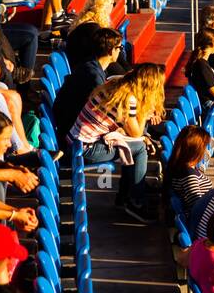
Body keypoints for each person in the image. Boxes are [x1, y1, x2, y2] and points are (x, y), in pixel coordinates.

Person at [68, 63, 164, 224]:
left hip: (77, 140)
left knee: (133, 145)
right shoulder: (129, 99)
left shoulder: (118, 82)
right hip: (85, 149)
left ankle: (127, 194)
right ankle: (136, 201)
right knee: (139, 148)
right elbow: (136, 132)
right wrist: (146, 113)